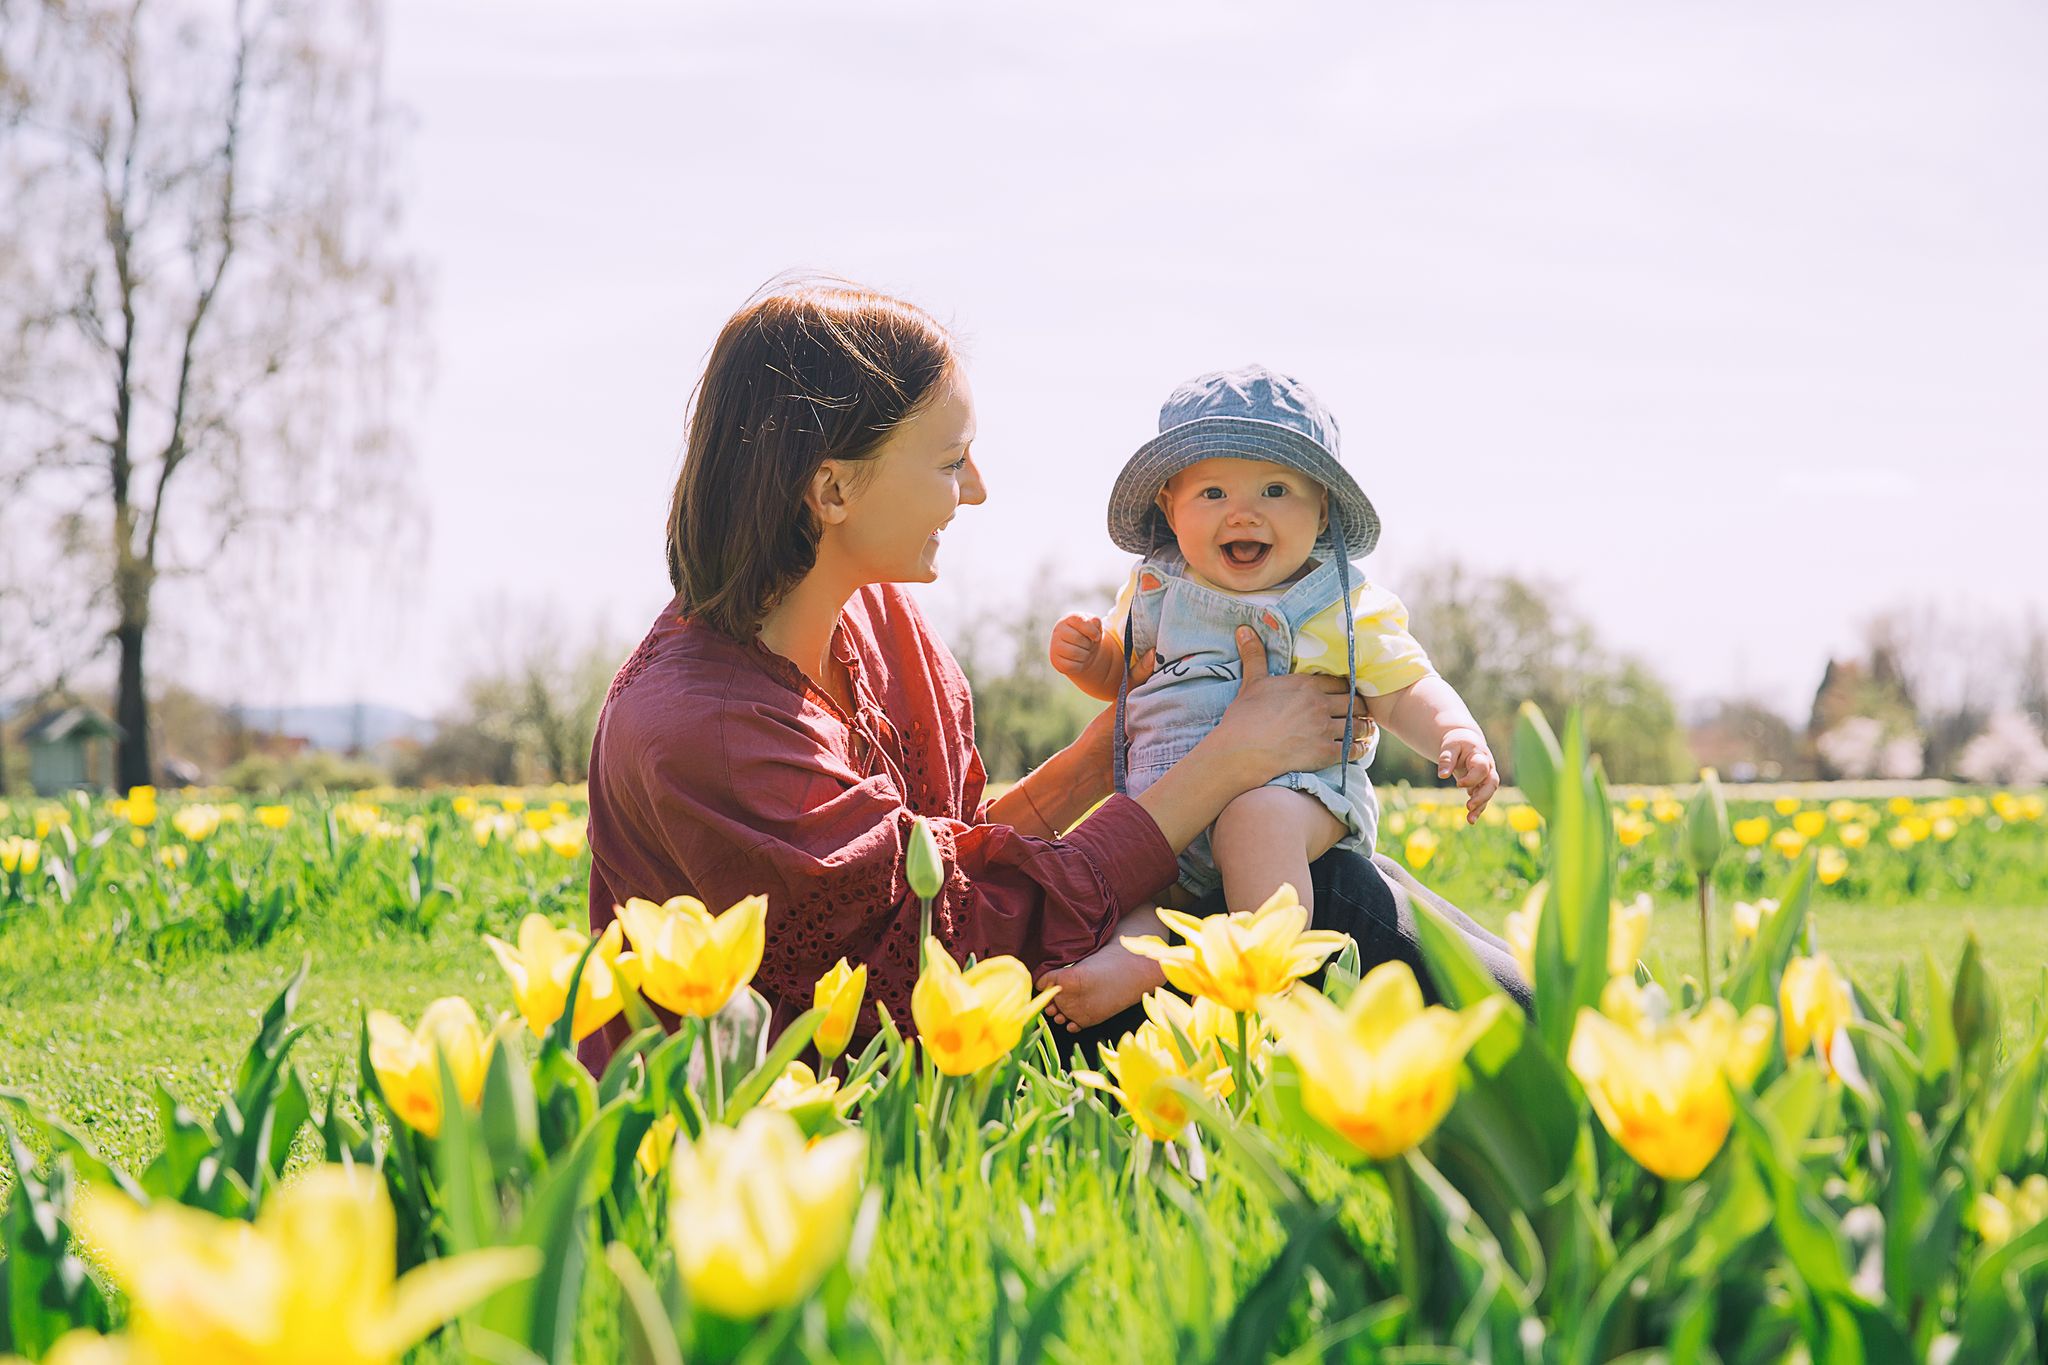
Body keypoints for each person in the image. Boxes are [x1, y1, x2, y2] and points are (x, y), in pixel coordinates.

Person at [579, 280, 1524, 1074]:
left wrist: (1106, 758)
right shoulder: (704, 732)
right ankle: (1566, 1069)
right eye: (951, 460)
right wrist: (1227, 760)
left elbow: (949, 857)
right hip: (839, 1093)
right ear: (832, 491)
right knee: (1318, 915)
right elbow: (950, 936)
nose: (978, 488)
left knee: (1318, 877)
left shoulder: (882, 623)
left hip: (969, 1008)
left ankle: (1560, 1030)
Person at [1038, 365, 1501, 1028]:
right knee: (1135, 879)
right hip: (1165, 810)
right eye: (1214, 491)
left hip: (1292, 800)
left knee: (1255, 824)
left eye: (1276, 489)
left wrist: (1455, 734)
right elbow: (1128, 677)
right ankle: (1135, 960)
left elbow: (1404, 687)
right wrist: (1093, 659)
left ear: (1321, 513)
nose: (1242, 511)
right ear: (1170, 506)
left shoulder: (1338, 603)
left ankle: (1264, 984)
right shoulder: (1153, 589)